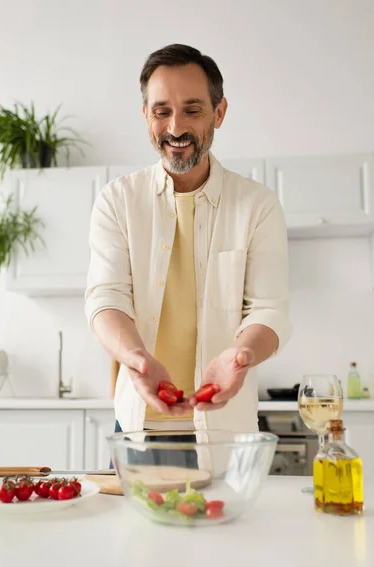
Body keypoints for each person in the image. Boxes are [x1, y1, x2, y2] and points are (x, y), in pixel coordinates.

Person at [85, 44, 292, 439]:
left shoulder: (257, 205)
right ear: (146, 115)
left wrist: (240, 356)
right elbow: (105, 300)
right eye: (162, 111)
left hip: (225, 430)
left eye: (192, 110)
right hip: (136, 425)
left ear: (219, 112)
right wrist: (136, 358)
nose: (175, 127)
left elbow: (269, 311)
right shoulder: (117, 200)